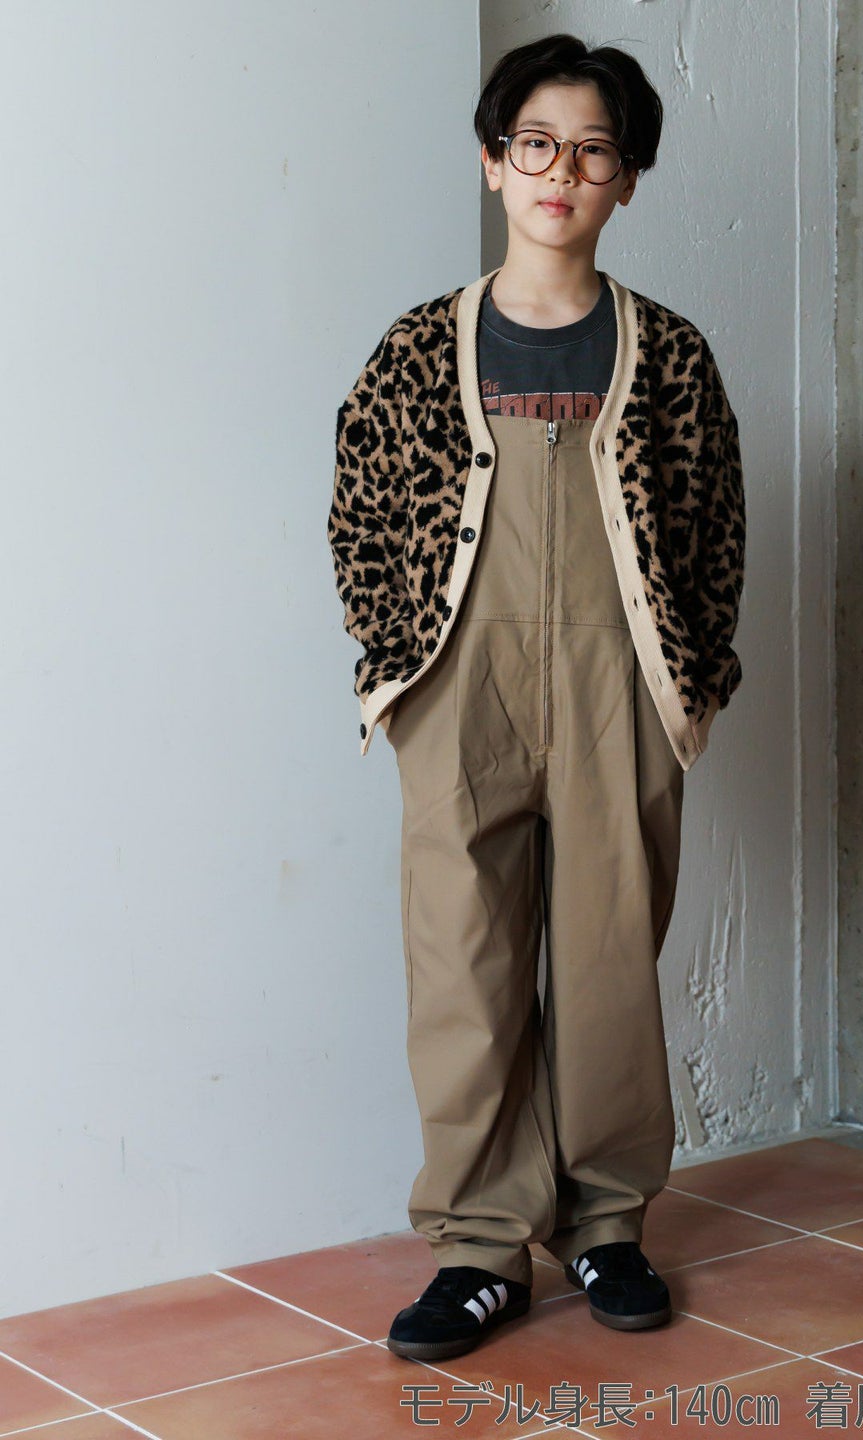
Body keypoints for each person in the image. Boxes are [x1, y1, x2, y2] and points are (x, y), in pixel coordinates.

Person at [327, 32, 746, 1363]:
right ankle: (478, 1248)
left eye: (592, 150)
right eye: (536, 145)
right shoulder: (416, 349)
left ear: (628, 178)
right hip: (461, 682)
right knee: (466, 964)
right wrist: (398, 671)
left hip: (621, 683)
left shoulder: (667, 353)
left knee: (612, 959)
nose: (561, 171)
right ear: (494, 163)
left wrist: (689, 683)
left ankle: (608, 1223)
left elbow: (712, 530)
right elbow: (360, 515)